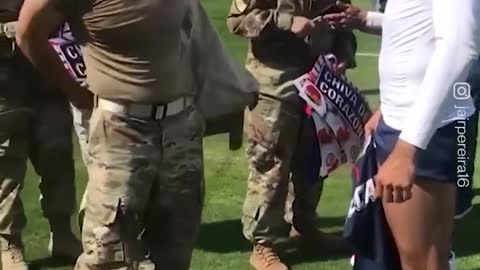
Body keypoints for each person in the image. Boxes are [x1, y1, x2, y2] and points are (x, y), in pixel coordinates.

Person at [15, 0, 257, 269]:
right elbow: (27, 33)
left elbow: (197, 35)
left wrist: (228, 102)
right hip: (120, 131)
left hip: (181, 128)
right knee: (108, 254)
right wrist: (72, 91)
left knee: (175, 248)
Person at [324, 1, 480, 270]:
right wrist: (386, 108)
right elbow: (414, 27)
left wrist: (407, 148)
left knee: (423, 262)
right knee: (400, 256)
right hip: (403, 124)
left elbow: (459, 46)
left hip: (423, 132)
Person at [226, 1, 357, 269]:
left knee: (315, 159)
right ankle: (263, 244)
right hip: (275, 86)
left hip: (319, 81)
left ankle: (305, 229)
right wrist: (286, 22)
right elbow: (238, 20)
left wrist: (344, 51)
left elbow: (343, 17)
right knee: (270, 165)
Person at [0, 4, 81, 269]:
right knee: (6, 168)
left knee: (56, 157)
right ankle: (8, 244)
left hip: (47, 77)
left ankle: (62, 233)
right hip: (5, 85)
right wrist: (11, 29)